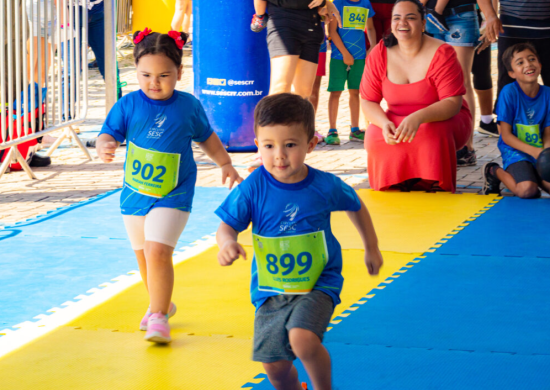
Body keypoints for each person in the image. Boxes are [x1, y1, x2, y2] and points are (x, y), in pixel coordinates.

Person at [215, 93, 383, 390]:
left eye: (290, 145)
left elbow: (355, 204)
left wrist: (371, 246)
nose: (279, 155)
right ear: (258, 144)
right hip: (271, 288)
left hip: (318, 282)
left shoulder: (323, 185)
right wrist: (227, 243)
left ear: (311, 144)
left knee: (302, 339)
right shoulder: (254, 188)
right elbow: (227, 226)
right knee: (274, 367)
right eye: (269, 146)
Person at [95, 29, 242, 344]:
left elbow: (207, 138)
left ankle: (159, 317)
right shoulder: (129, 104)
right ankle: (160, 303)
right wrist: (105, 144)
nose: (154, 82)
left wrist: (225, 163)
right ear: (135, 70)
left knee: (157, 250)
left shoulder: (188, 106)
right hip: (134, 194)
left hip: (174, 193)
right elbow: (109, 133)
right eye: (145, 74)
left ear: (179, 72)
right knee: (144, 257)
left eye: (164, 75)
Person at [361, 0, 472, 193]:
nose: (402, 23)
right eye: (397, 18)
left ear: (423, 24)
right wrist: (383, 123)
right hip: (397, 116)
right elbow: (368, 100)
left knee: (430, 132)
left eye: (410, 18)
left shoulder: (443, 52)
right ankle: (395, 183)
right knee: (374, 134)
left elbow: (452, 102)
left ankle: (433, 183)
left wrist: (418, 117)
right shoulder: (379, 53)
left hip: (443, 118)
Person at [423, 0, 499, 166]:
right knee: (432, 81)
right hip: (429, 15)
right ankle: (437, 141)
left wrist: (490, 16)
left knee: (461, 81)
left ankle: (466, 146)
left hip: (461, 14)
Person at [483, 43, 550, 198]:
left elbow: (548, 133)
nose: (528, 64)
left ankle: (534, 174)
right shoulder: (509, 93)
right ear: (512, 73)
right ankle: (493, 171)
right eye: (520, 62)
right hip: (516, 152)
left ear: (539, 65)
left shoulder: (548, 94)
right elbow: (505, 136)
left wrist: (546, 156)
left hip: (539, 153)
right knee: (527, 190)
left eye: (532, 59)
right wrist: (537, 153)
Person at [326, 0, 376, 145]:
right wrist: (345, 54)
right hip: (338, 57)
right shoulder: (337, 3)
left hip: (360, 57)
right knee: (335, 92)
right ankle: (332, 130)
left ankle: (355, 130)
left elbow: (370, 28)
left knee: (355, 92)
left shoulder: (365, 3)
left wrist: (372, 46)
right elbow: (332, 32)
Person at [495, 0, 550, 108]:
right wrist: (490, 16)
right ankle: (506, 121)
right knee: (507, 81)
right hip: (510, 25)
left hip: (546, 25)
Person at [472, 5, 499, 137]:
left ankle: (486, 121)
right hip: (438, 17)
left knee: (481, 70)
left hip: (477, 15)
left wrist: (490, 22)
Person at [310, 24, 329, 143]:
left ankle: (310, 129)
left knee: (314, 90)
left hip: (319, 44)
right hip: (296, 41)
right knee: (296, 90)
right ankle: (296, 127)